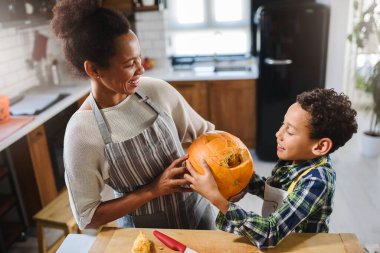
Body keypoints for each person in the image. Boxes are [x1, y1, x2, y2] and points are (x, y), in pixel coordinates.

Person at [52, 0, 215, 230]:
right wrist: (153, 190)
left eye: (139, 58)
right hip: (147, 237)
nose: (141, 69)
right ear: (94, 70)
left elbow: (206, 135)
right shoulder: (82, 132)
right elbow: (87, 217)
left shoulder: (156, 91)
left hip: (200, 221)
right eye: (130, 64)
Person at [185, 88, 358, 248]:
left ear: (320, 147)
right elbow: (277, 194)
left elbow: (270, 232)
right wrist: (241, 178)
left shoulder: (317, 180)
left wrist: (218, 200)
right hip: (281, 246)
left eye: (289, 132)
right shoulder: (295, 161)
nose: (278, 134)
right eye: (283, 124)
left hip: (300, 249)